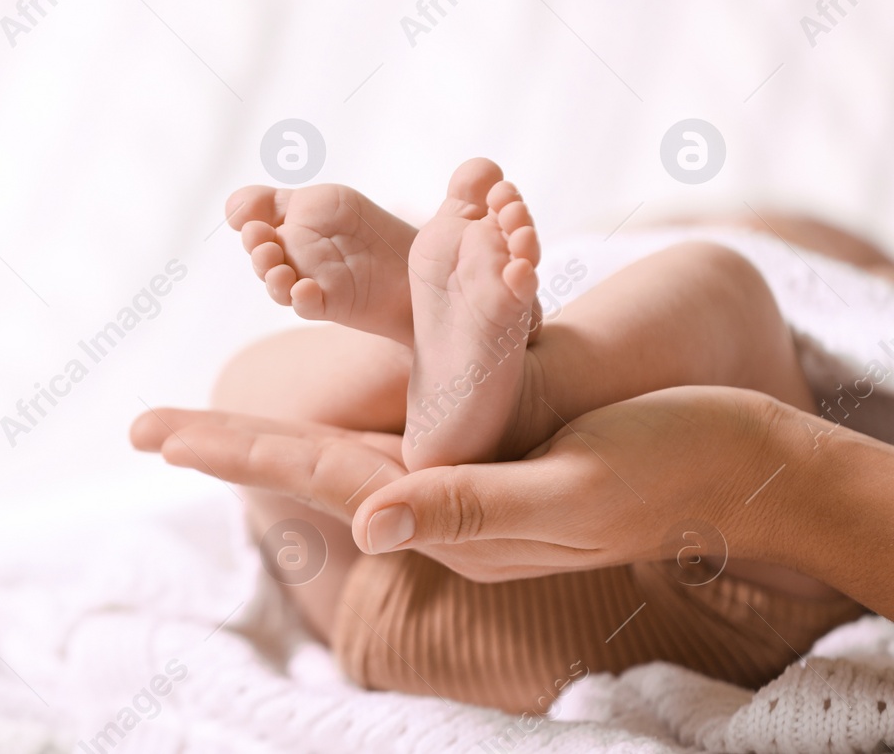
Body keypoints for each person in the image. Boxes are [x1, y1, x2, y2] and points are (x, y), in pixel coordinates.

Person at [130, 159, 887, 712]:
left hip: (409, 602)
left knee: (729, 283)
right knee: (249, 401)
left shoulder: (845, 313)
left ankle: (505, 380)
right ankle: (445, 360)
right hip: (713, 606)